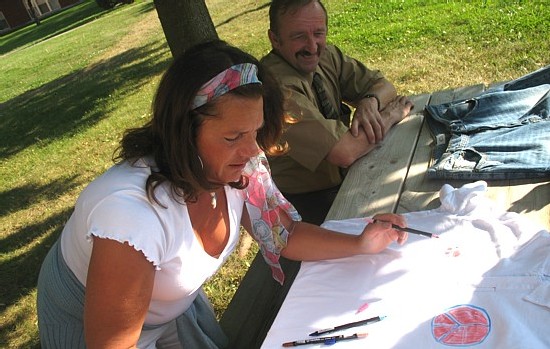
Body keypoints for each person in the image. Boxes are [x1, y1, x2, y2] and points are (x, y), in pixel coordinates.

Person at [36, 39, 408, 349]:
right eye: (233, 137)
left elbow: (284, 235)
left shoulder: (240, 162)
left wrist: (360, 243)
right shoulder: (131, 216)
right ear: (184, 132)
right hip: (88, 322)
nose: (252, 152)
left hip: (167, 306)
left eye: (255, 132)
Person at [261, 0, 414, 224]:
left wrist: (369, 101)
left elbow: (385, 86)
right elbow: (345, 152)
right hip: (304, 206)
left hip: (347, 180)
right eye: (299, 36)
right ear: (275, 39)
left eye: (318, 33)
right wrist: (390, 115)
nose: (312, 46)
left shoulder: (327, 57)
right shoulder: (275, 88)